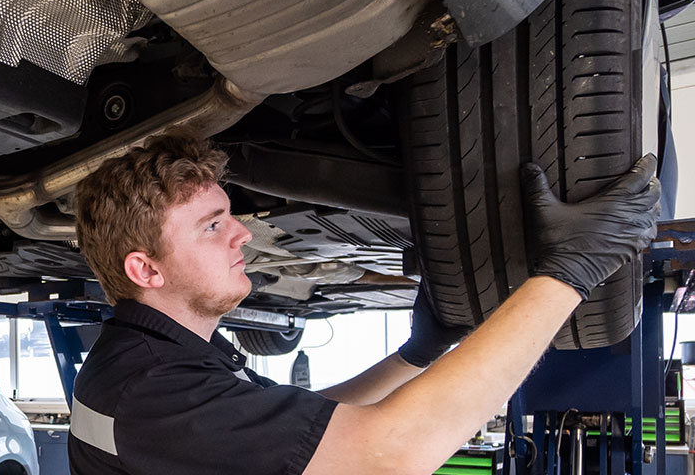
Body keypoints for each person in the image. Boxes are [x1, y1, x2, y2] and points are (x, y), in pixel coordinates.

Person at [67, 133, 660, 475]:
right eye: (211, 226)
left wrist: (413, 355)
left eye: (230, 216)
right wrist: (568, 273)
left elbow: (302, 426)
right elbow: (391, 453)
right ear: (145, 269)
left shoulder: (156, 360)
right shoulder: (151, 390)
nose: (242, 234)